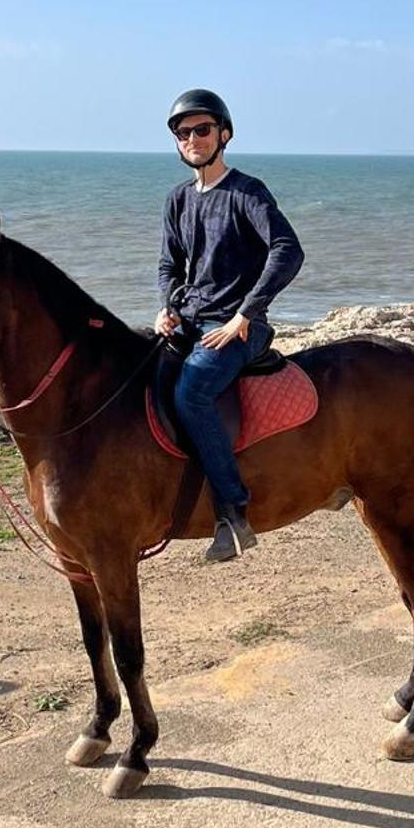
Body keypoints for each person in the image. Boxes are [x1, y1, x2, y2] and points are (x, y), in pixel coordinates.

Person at [156, 89, 305, 562]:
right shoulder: (177, 200)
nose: (193, 139)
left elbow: (287, 250)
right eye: (184, 133)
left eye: (202, 130)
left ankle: (234, 512)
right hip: (192, 320)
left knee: (191, 391)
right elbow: (169, 266)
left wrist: (246, 314)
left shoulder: (247, 192)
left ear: (224, 134)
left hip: (240, 326)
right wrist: (168, 306)